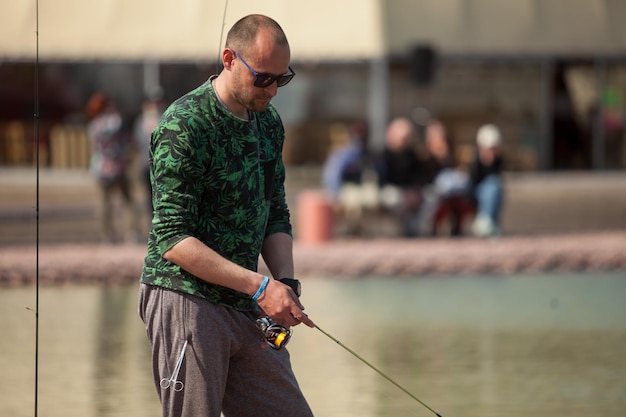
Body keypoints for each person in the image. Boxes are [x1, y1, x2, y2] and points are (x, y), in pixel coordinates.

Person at [137, 14, 315, 417]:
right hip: (185, 299)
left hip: (245, 301)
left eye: (282, 79)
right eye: (263, 78)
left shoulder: (269, 123)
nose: (272, 89)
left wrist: (284, 284)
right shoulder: (185, 124)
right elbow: (172, 239)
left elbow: (275, 210)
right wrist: (259, 286)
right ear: (229, 59)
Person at [86, 92, 142, 243]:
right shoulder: (115, 120)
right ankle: (132, 233)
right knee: (127, 200)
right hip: (118, 166)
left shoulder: (94, 124)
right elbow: (126, 139)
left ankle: (107, 234)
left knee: (104, 203)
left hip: (100, 167)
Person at [420, 120, 474, 237]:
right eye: (436, 137)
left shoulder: (454, 155)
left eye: (442, 137)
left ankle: (456, 229)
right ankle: (430, 230)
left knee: (460, 198)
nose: (440, 140)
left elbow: (462, 173)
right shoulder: (424, 157)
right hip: (432, 192)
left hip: (452, 193)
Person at [377, 117, 424, 237]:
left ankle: (414, 231)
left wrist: (414, 191)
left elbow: (418, 177)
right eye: (402, 137)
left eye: (407, 137)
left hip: (410, 193)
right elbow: (381, 181)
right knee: (394, 197)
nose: (405, 140)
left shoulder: (412, 155)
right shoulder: (382, 156)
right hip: (391, 192)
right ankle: (400, 232)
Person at [133, 87, 165, 215]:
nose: (155, 105)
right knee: (149, 196)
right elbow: (138, 141)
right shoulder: (141, 121)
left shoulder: (166, 117)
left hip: (163, 165)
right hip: (146, 164)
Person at [470, 123, 504, 237]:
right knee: (492, 186)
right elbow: (473, 180)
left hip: (491, 194)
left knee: (495, 187)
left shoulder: (498, 161)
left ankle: (489, 222)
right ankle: (486, 221)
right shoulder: (476, 160)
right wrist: (483, 161)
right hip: (475, 193)